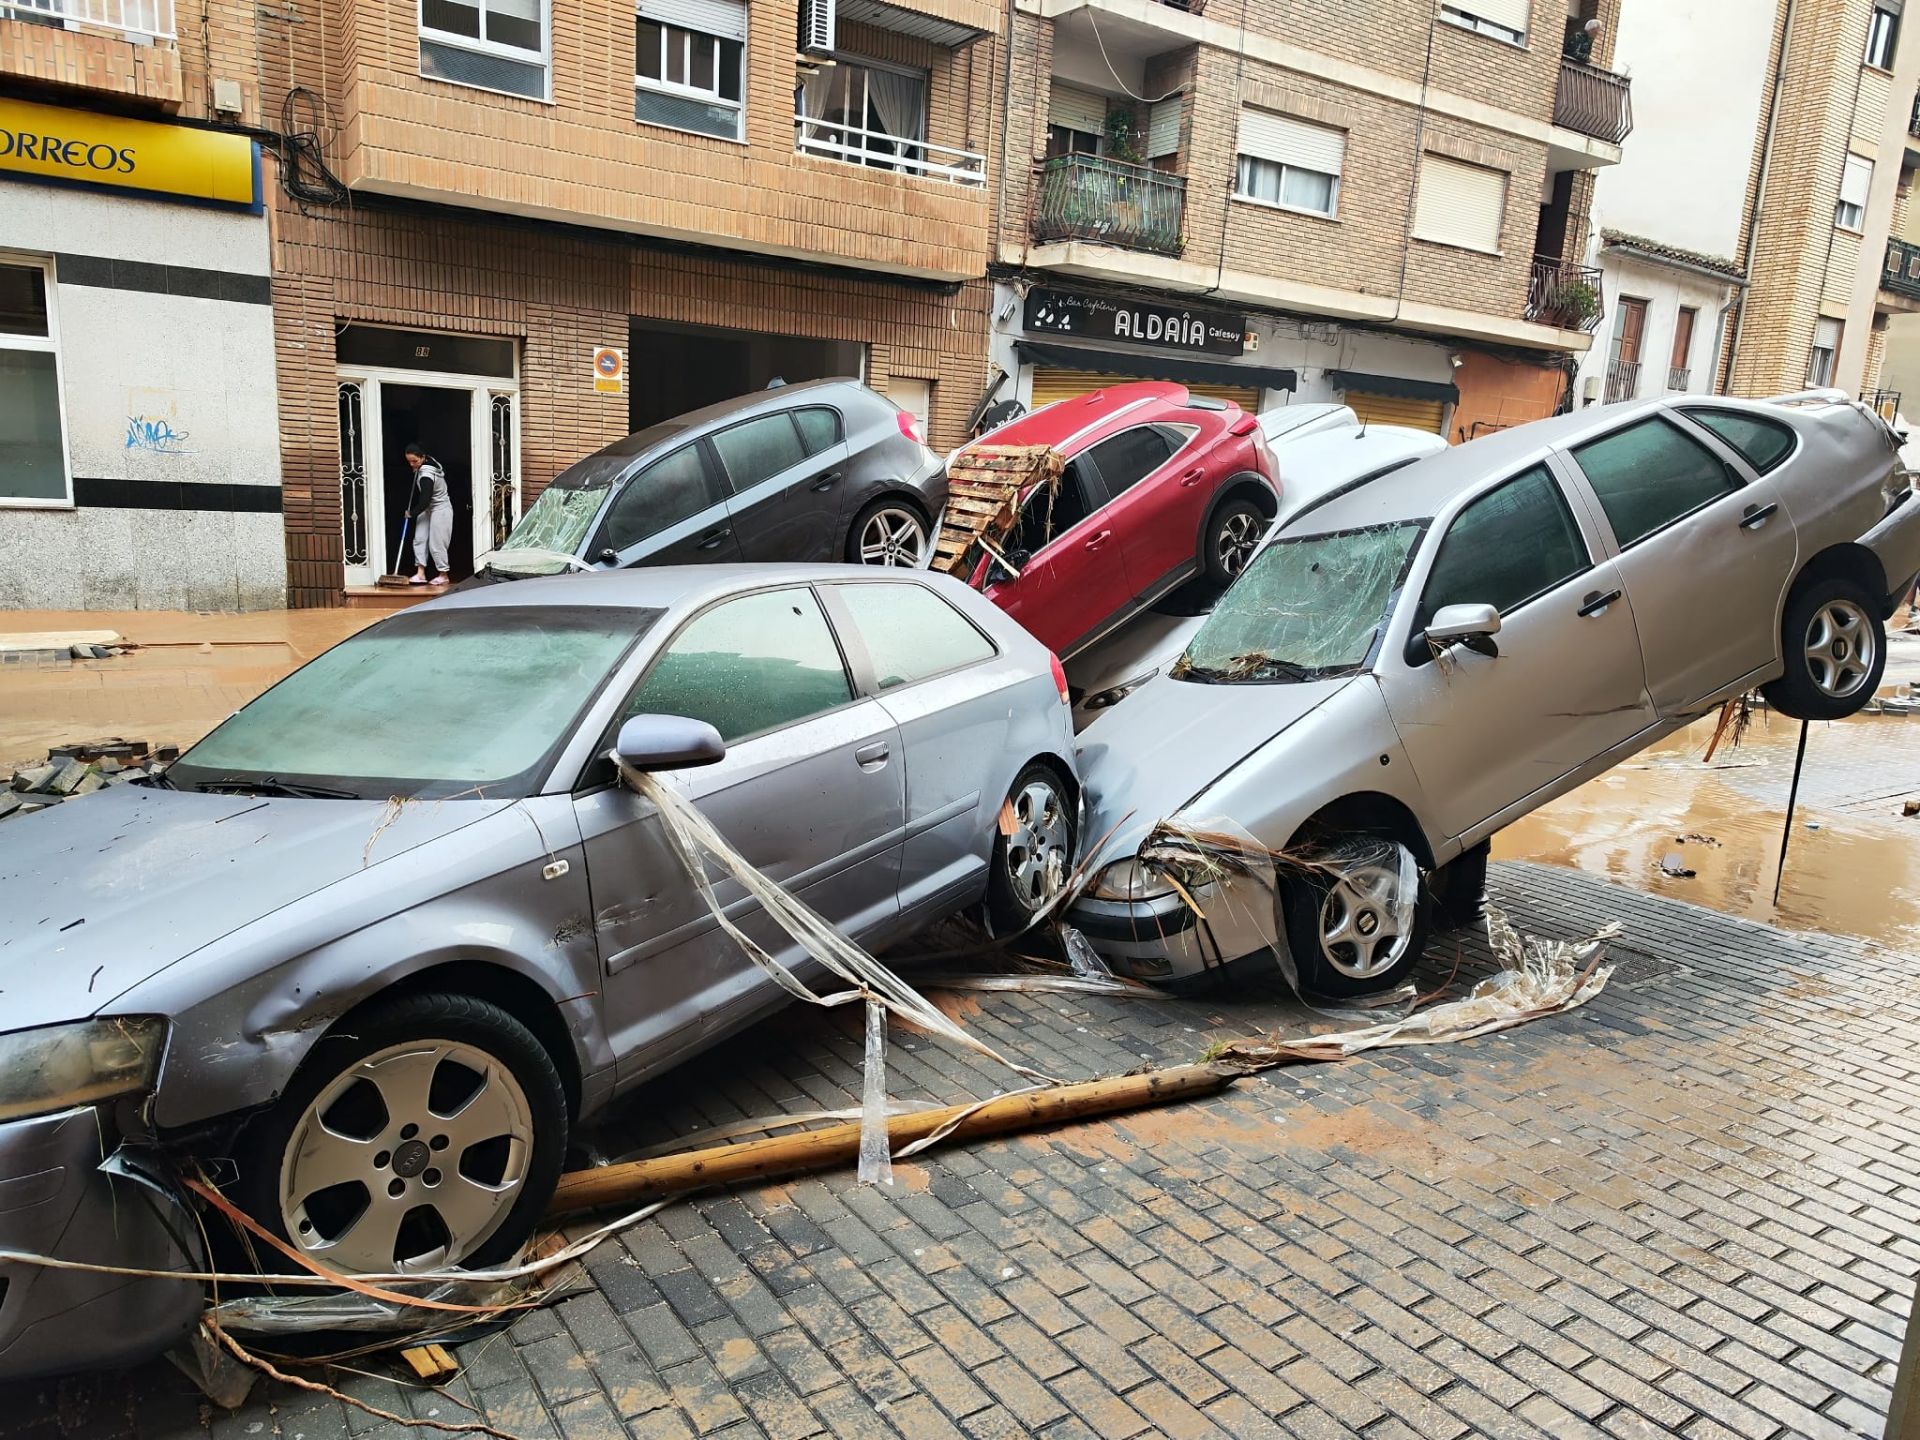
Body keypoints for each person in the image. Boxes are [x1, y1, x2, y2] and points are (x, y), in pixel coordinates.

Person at [405, 441, 454, 586]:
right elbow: (425, 504)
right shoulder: (426, 463)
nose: (412, 464)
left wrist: (411, 513)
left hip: (440, 508)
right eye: (409, 462)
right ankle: (420, 574)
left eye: (415, 461)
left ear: (422, 457)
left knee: (437, 543)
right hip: (428, 508)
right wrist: (417, 469)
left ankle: (443, 574)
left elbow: (425, 500)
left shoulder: (427, 475)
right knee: (419, 538)